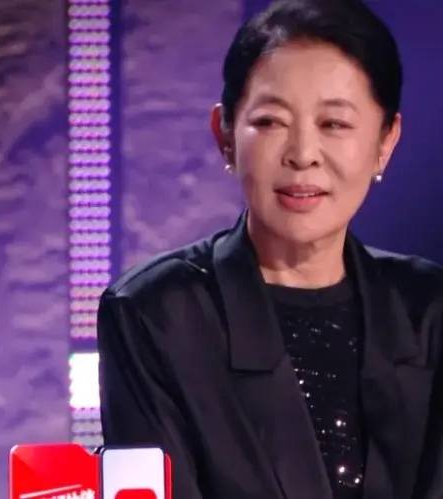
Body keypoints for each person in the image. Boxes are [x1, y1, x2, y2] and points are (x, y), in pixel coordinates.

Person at [98, 1, 443, 498]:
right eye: (270, 122)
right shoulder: (156, 313)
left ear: (385, 142)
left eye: (334, 124)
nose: (302, 155)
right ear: (225, 135)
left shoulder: (429, 311)